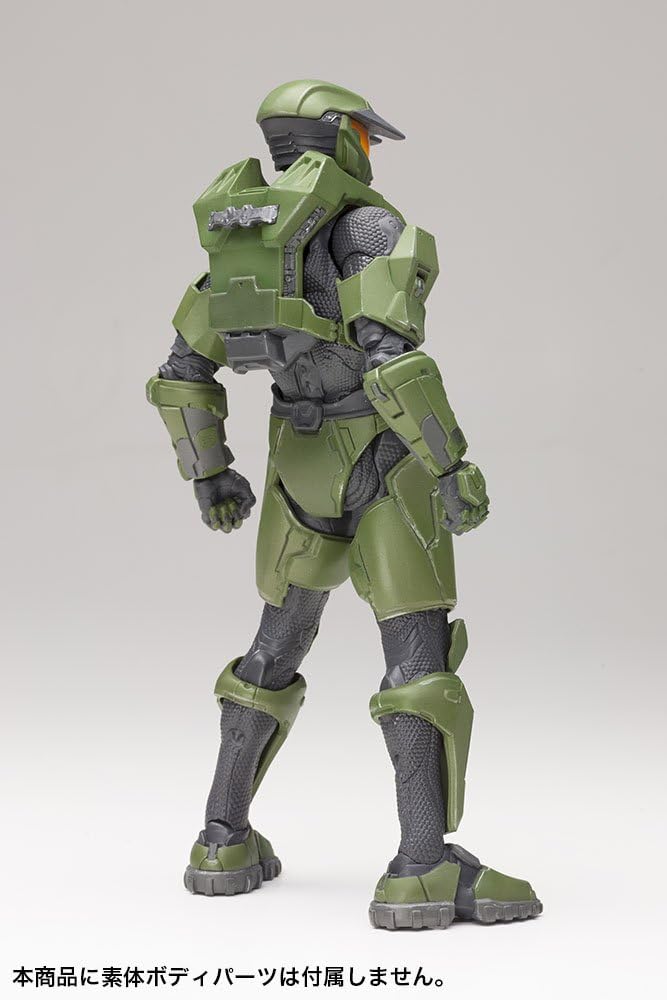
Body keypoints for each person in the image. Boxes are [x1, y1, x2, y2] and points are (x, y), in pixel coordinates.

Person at [146, 79, 541, 930]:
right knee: (418, 663)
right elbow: (390, 357)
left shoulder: (242, 235)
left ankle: (221, 840)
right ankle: (423, 868)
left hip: (294, 462)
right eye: (364, 136)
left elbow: (181, 373)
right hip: (381, 456)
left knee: (273, 650)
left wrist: (210, 473)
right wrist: (449, 464)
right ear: (343, 137)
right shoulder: (365, 228)